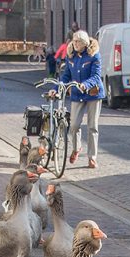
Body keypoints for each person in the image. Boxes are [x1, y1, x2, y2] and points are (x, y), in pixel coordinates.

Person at [52, 30, 105, 169]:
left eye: (78, 41)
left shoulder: (94, 55)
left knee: (92, 126)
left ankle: (92, 158)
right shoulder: (71, 56)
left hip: (93, 93)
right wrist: (56, 88)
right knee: (74, 125)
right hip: (77, 93)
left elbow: (96, 76)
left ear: (85, 43)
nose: (75, 43)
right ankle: (76, 148)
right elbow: (65, 76)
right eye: (74, 40)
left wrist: (85, 85)